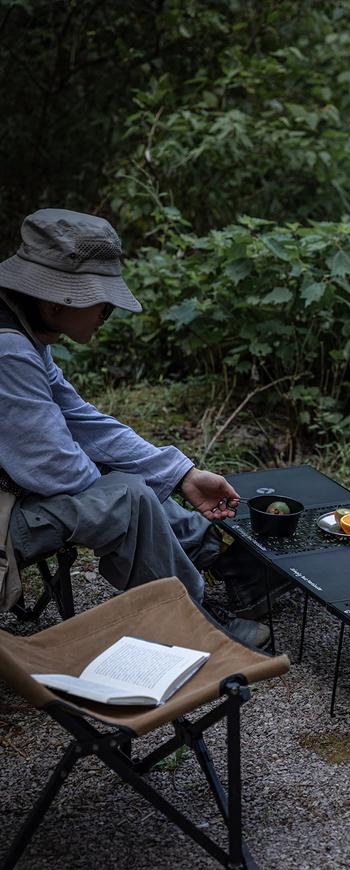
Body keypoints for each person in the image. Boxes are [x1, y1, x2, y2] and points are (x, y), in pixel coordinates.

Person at [0, 208, 277, 647]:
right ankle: (192, 621)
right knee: (126, 498)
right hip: (4, 516)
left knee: (124, 481)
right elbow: (55, 470)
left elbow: (83, 420)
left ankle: (228, 563)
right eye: (103, 306)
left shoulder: (20, 326)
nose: (106, 313)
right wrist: (136, 495)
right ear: (58, 301)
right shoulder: (7, 351)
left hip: (14, 488)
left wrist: (180, 474)